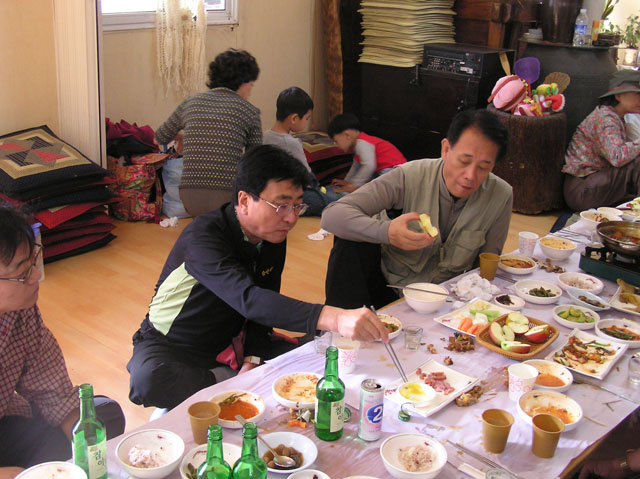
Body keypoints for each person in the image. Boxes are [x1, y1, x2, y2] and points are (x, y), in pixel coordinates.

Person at [127, 145, 388, 410]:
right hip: (174, 345)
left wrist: (253, 356)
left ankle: (231, 378)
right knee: (149, 381)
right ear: (243, 201)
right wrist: (335, 317)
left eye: (297, 206)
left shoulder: (271, 235)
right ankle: (223, 380)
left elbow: (266, 299)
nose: (291, 218)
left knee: (321, 352)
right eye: (281, 205)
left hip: (231, 339)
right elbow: (249, 299)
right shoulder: (203, 236)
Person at [321, 109, 512, 309]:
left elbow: (486, 267)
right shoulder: (409, 176)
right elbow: (332, 216)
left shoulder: (501, 195)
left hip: (446, 302)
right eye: (464, 161)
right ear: (446, 149)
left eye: (483, 167)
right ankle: (337, 326)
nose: (470, 176)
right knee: (349, 239)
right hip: (389, 289)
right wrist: (387, 232)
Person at [0, 205, 125, 474]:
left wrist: (85, 448)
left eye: (33, 262)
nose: (36, 276)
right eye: (22, 272)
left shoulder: (20, 311)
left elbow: (51, 391)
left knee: (100, 421)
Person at [155, 49, 262, 217]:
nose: (250, 91)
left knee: (207, 223)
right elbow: (255, 162)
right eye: (251, 85)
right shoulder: (249, 111)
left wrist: (185, 136)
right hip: (228, 197)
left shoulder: (191, 103)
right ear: (242, 82)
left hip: (189, 197)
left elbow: (159, 137)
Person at [563, 69, 640, 211]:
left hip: (593, 186)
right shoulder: (605, 119)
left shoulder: (615, 117)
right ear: (618, 95)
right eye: (638, 94)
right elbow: (617, 157)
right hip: (583, 191)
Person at [263, 86, 340, 216]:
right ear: (294, 118)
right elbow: (306, 174)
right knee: (331, 201)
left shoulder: (265, 136)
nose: (306, 122)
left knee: (328, 195)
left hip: (268, 193)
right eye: (307, 118)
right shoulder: (291, 143)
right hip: (288, 194)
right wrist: (316, 189)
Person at [327, 113, 407, 194]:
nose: (337, 146)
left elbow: (369, 165)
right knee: (367, 178)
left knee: (372, 186)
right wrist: (347, 182)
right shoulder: (358, 147)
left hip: (394, 170)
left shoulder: (362, 143)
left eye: (336, 141)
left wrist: (354, 185)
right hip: (388, 170)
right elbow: (355, 167)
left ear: (347, 135)